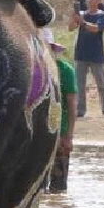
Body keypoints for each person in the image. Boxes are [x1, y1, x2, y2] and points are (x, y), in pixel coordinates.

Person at [43, 27, 78, 192]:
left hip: (60, 133)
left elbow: (72, 105)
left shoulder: (65, 70)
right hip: (38, 135)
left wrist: (68, 136)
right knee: (38, 188)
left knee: (58, 189)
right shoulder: (31, 70)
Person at [71, 0, 104, 118]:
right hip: (81, 54)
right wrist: (74, 17)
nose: (89, 0)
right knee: (80, 85)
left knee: (102, 84)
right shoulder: (82, 14)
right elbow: (71, 28)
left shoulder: (102, 15)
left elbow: (96, 29)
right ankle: (80, 110)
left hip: (96, 54)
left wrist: (82, 22)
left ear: (99, 0)